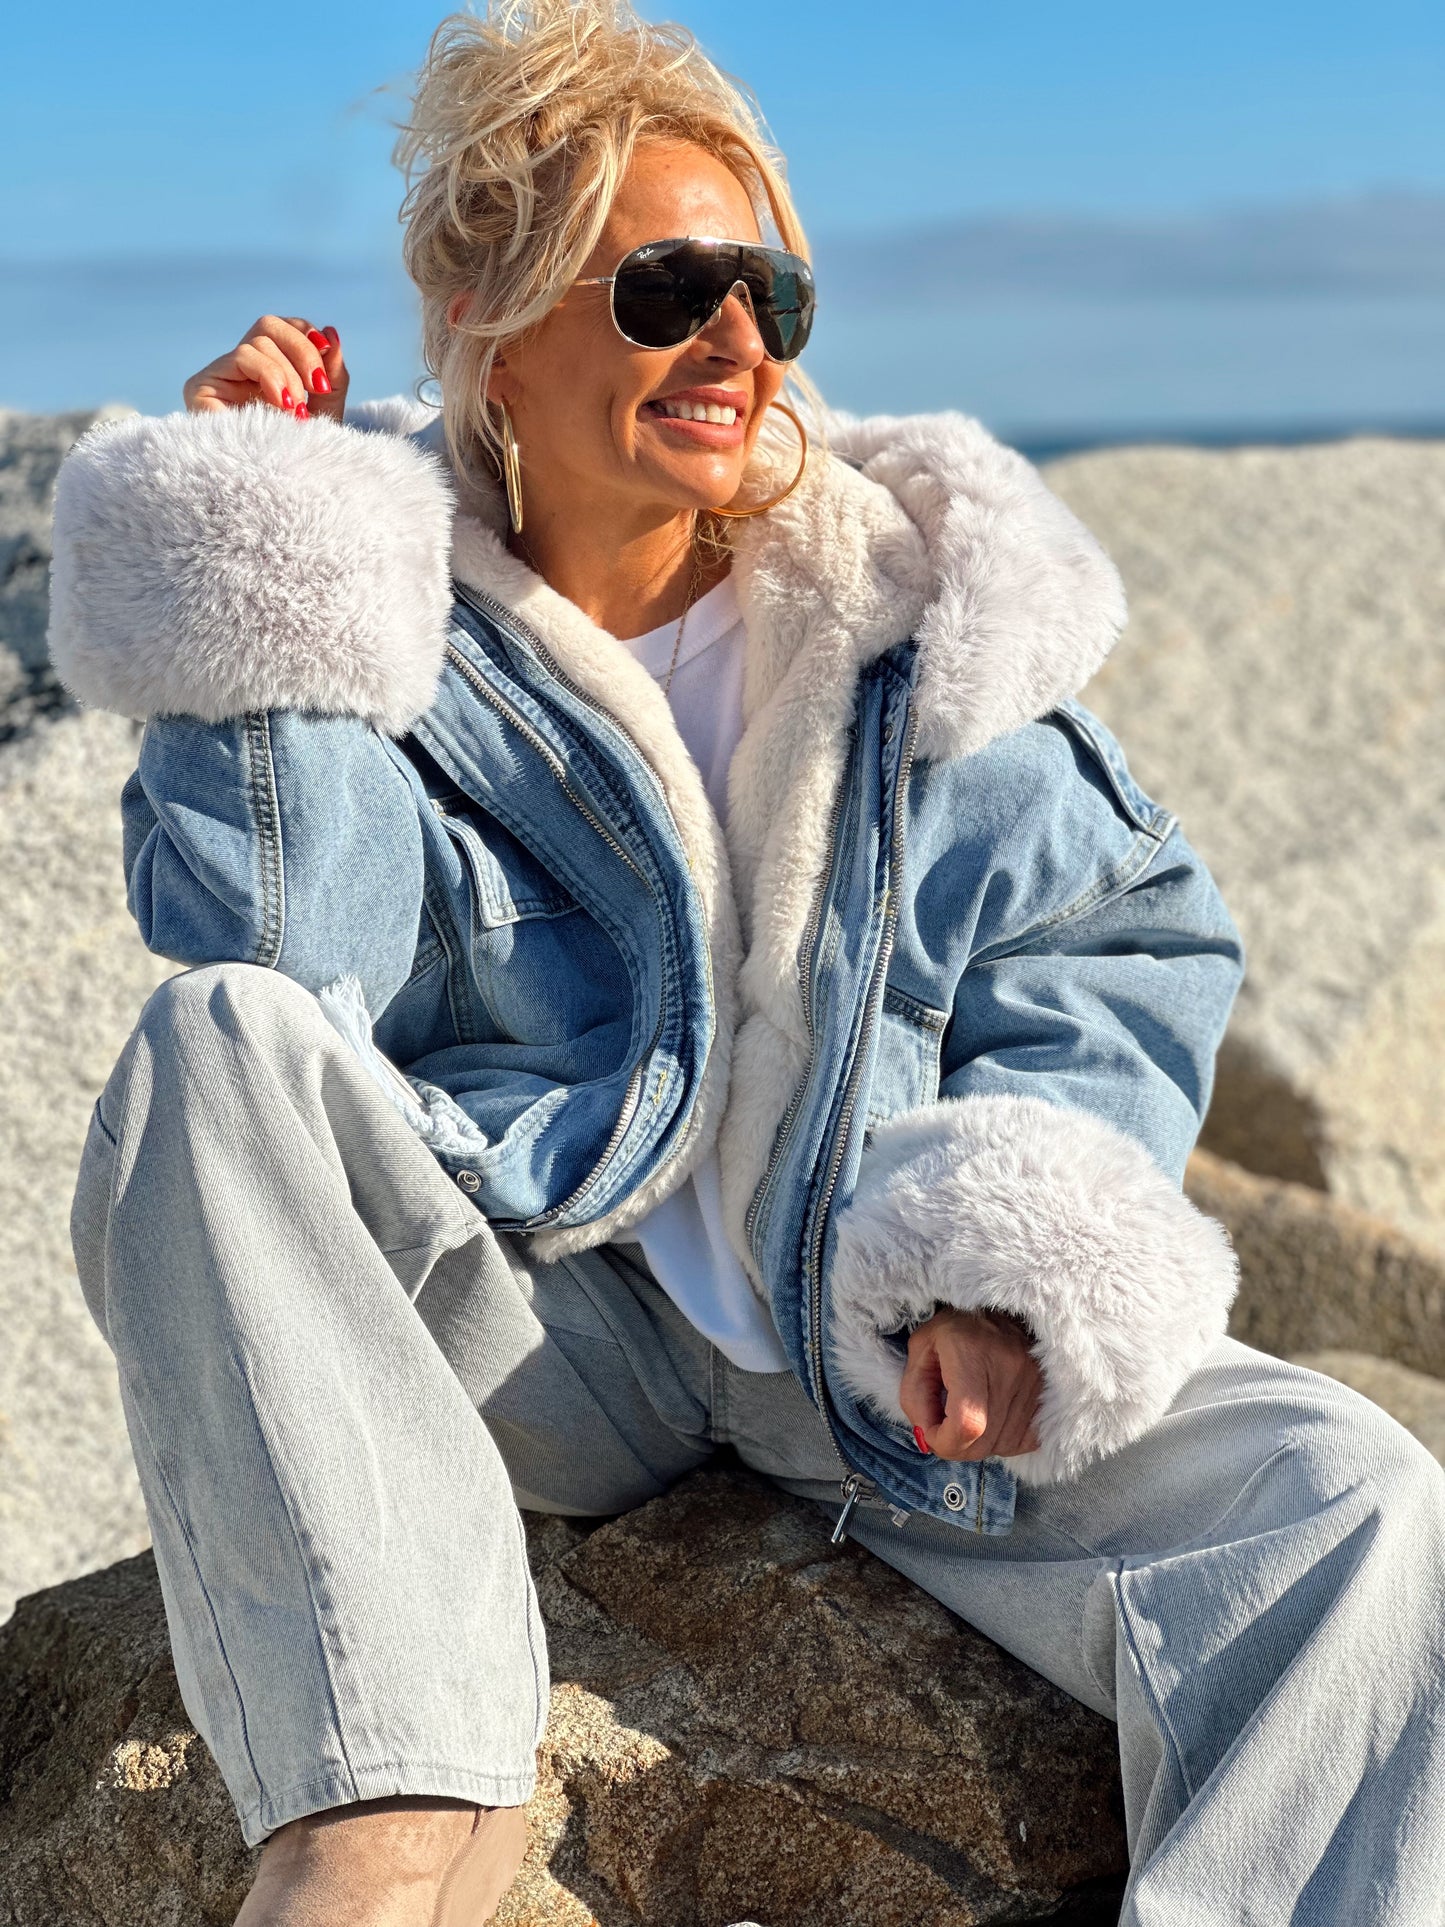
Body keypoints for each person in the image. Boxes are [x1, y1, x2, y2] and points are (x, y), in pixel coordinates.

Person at [48, 2, 1445, 1922]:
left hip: (862, 1346)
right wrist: (264, 540)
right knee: (211, 1043)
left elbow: (1109, 944)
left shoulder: (909, 628)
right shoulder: (409, 643)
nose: (733, 340)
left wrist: (1000, 1277)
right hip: (552, 1331)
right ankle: (394, 1797)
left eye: (768, 292)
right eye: (667, 285)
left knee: (1356, 1506)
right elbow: (283, 953)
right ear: (486, 323)